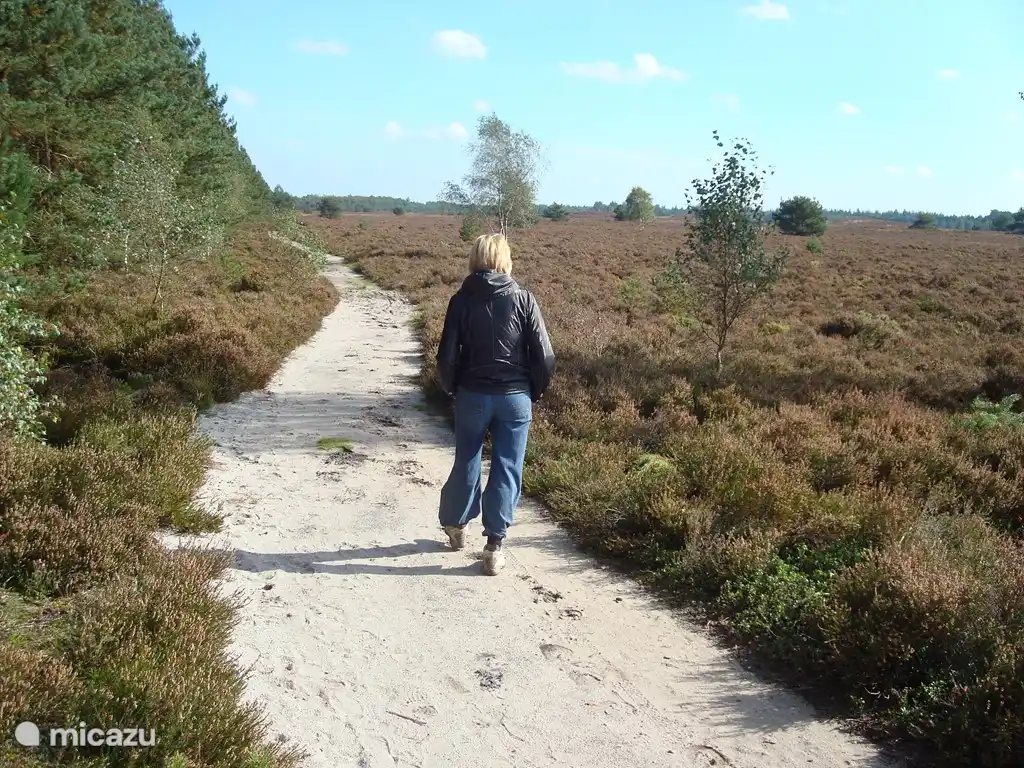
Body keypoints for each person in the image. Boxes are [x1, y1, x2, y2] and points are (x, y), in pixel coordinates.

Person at [435, 233, 556, 576]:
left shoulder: (460, 301)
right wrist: (534, 392)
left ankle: (456, 526)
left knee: (467, 458)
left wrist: (451, 389)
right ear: (505, 259)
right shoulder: (524, 299)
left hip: (472, 395)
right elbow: (545, 357)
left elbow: (446, 357)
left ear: (474, 258)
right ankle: (494, 546)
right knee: (507, 466)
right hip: (515, 398)